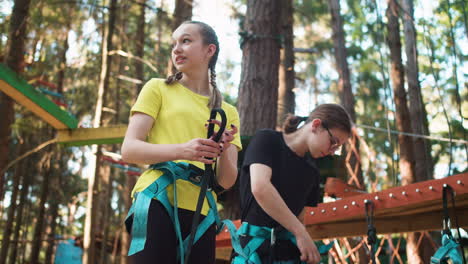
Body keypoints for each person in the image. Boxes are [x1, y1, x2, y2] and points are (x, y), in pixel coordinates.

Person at [121, 21, 242, 264]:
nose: (176, 49)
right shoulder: (158, 89)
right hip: (157, 200)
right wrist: (183, 151)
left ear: (210, 50)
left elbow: (227, 181)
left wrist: (225, 149)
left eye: (186, 41)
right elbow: (129, 149)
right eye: (174, 43)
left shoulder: (228, 111)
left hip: (202, 211)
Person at [233, 104, 352, 264]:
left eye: (337, 148)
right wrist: (300, 232)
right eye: (333, 141)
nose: (332, 150)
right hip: (252, 252)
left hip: (289, 255)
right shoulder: (267, 140)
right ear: (316, 125)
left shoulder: (312, 172)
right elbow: (260, 187)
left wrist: (305, 248)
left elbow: (300, 218)